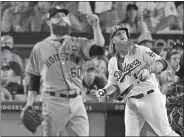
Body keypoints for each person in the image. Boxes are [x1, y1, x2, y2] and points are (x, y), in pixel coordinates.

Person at [20, 6, 105, 136]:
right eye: (57, 16)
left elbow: (99, 49)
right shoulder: (39, 48)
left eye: (63, 16)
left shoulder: (79, 43)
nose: (61, 19)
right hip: (53, 102)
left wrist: (96, 26)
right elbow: (34, 79)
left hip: (77, 101)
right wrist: (29, 104)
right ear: (49, 22)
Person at [96, 24, 180, 136]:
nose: (122, 34)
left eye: (123, 32)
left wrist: (149, 70)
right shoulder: (112, 62)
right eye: (118, 33)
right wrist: (104, 91)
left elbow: (162, 63)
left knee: (165, 133)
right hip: (131, 103)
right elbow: (113, 84)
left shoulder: (139, 50)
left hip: (150, 97)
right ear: (113, 40)